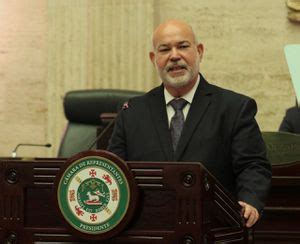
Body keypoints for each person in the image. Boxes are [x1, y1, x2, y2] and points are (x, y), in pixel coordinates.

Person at [108, 19, 271, 228]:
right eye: (164, 49)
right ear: (153, 58)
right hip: (148, 229)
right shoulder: (131, 112)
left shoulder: (234, 108)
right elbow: (113, 170)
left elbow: (253, 165)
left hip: (213, 228)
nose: (174, 56)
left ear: (200, 51)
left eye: (183, 46)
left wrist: (250, 200)